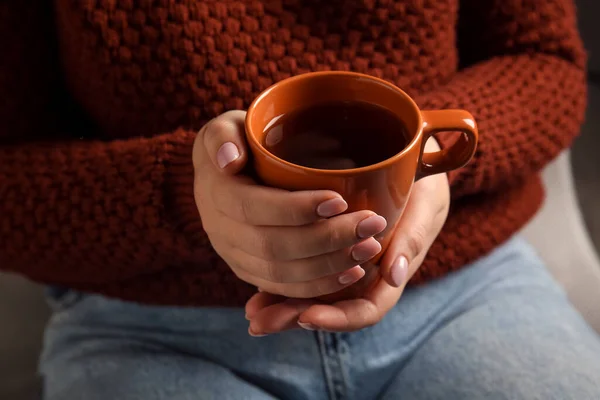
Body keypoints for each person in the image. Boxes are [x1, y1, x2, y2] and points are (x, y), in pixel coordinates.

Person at [1, 0, 599, 399]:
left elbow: (542, 61)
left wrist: (431, 160)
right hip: (151, 325)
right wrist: (180, 195)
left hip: (461, 290)